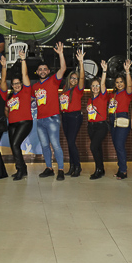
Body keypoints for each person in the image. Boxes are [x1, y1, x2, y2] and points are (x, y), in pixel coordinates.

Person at [33, 42, 67, 180]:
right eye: (40, 69)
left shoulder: (53, 80)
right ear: (37, 72)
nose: (42, 71)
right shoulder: (35, 86)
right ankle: (49, 168)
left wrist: (60, 54)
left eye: (45, 69)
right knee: (44, 145)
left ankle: (61, 170)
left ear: (48, 71)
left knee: (56, 145)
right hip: (40, 120)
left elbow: (63, 68)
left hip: (52, 118)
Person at [7, 50, 34, 180]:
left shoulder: (26, 91)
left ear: (21, 84)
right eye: (14, 84)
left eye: (18, 83)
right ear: (12, 85)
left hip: (25, 122)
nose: (17, 85)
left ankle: (20, 170)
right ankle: (23, 169)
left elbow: (25, 74)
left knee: (15, 145)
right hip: (12, 124)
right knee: (14, 147)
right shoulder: (10, 96)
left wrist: (23, 59)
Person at [60, 50, 85, 177]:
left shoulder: (78, 90)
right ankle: (72, 167)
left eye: (76, 78)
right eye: (72, 78)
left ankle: (78, 166)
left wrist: (81, 63)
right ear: (69, 79)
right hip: (65, 116)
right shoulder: (64, 91)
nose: (74, 80)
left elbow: (82, 78)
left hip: (75, 116)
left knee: (71, 142)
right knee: (70, 143)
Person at [108, 59, 132, 179]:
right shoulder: (112, 94)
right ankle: (120, 168)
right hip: (112, 119)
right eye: (117, 82)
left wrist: (127, 71)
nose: (119, 84)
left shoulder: (127, 93)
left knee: (119, 145)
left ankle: (123, 171)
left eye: (121, 82)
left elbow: (130, 86)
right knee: (116, 146)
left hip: (122, 119)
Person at [86, 61, 110, 179]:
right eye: (93, 86)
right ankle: (100, 169)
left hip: (101, 126)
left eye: (97, 86)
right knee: (98, 147)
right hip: (91, 126)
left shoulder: (103, 96)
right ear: (91, 88)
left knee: (93, 147)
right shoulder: (89, 100)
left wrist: (104, 71)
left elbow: (103, 83)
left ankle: (98, 169)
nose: (95, 88)